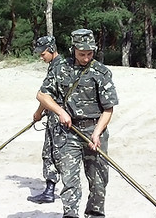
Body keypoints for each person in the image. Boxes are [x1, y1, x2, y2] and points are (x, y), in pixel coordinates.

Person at [36, 29, 118, 218]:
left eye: (90, 54)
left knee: (98, 182)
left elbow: (108, 109)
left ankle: (95, 214)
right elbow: (42, 95)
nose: (86, 58)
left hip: (94, 131)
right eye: (82, 54)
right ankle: (70, 215)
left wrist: (96, 133)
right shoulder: (60, 68)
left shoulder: (102, 72)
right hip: (69, 133)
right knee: (70, 181)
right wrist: (60, 112)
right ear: (73, 49)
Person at [27, 35, 62, 204]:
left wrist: (37, 113)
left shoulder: (56, 67)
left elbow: (44, 95)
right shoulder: (65, 64)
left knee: (49, 154)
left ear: (51, 50)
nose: (41, 57)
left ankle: (49, 191)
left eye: (43, 54)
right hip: (64, 115)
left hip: (57, 118)